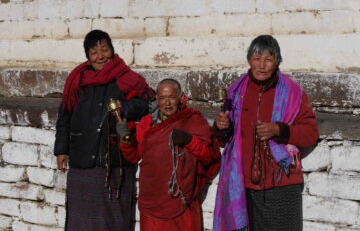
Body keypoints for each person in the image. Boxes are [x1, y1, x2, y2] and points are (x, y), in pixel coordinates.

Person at [213, 35, 319, 231]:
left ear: (277, 62)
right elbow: (224, 140)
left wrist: (279, 130)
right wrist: (221, 127)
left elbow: (311, 133)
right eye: (256, 58)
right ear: (249, 61)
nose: (261, 65)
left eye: (268, 59)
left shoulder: (293, 93)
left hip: (281, 184)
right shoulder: (235, 92)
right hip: (242, 185)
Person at [54, 29, 154, 231]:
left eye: (104, 49)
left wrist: (123, 108)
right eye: (94, 52)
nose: (100, 56)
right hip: (82, 157)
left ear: (112, 50)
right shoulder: (77, 81)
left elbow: (146, 104)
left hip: (113, 157)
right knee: (80, 219)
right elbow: (65, 115)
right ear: (88, 56)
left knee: (112, 217)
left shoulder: (128, 78)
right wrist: (61, 149)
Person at [117, 79, 221, 231]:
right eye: (162, 98)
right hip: (153, 196)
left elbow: (207, 156)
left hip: (181, 198)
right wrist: (125, 140)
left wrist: (188, 139)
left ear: (181, 97)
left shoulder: (193, 120)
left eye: (171, 97)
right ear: (157, 100)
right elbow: (134, 156)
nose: (167, 103)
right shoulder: (148, 123)